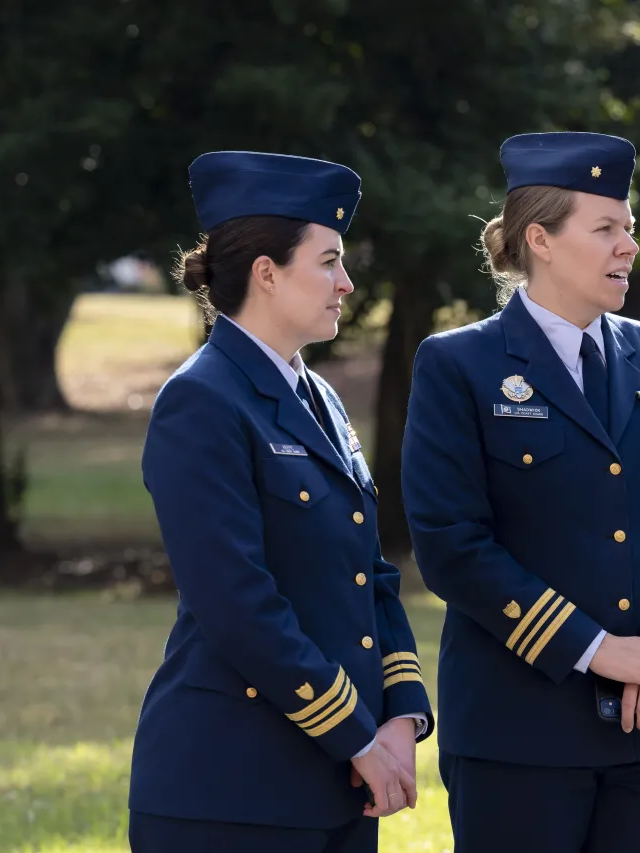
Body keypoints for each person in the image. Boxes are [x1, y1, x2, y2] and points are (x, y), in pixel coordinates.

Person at [399, 131, 640, 853]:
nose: (629, 247)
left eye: (630, 228)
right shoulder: (459, 364)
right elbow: (452, 546)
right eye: (606, 228)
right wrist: (598, 650)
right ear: (540, 239)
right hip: (519, 733)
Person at [127, 151, 434, 853]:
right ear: (266, 272)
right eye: (328, 261)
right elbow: (236, 600)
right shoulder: (201, 399)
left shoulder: (315, 395)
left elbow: (370, 573)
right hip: (232, 791)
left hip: (337, 788)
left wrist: (401, 714)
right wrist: (356, 733)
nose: (346, 282)